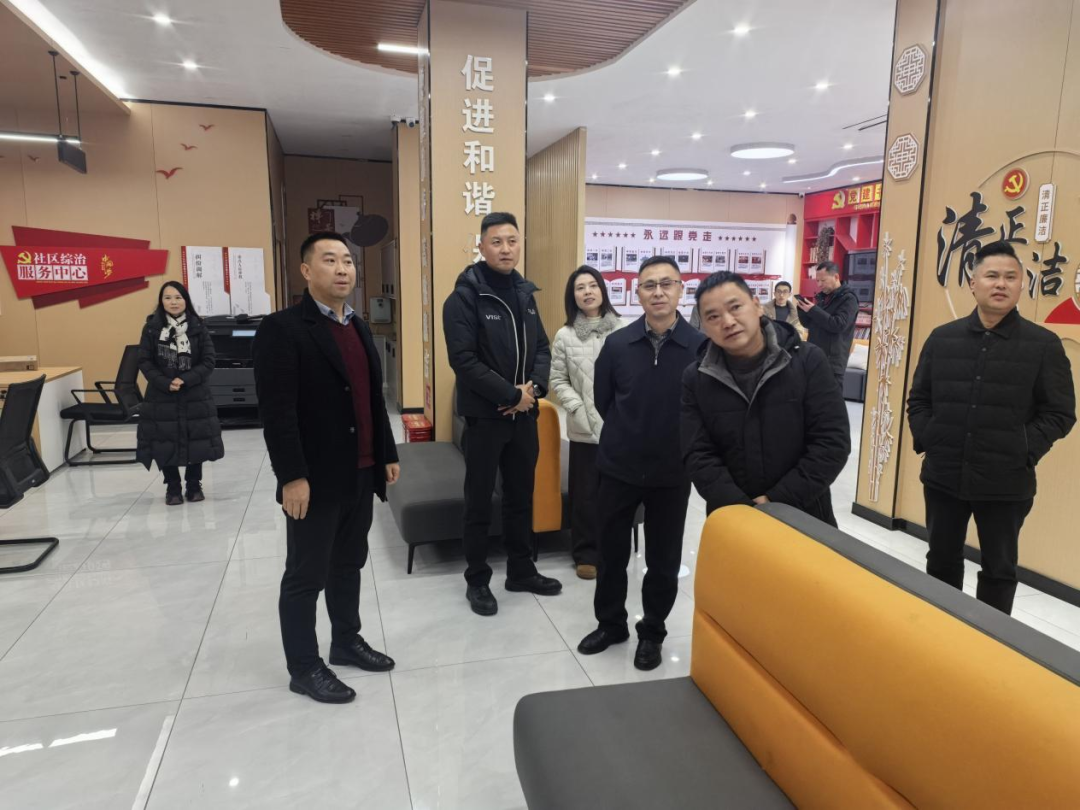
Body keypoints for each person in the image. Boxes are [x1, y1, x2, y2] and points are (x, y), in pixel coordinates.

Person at [253, 231, 399, 704]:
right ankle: (304, 666)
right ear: (306, 270)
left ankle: (345, 641)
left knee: (349, 563)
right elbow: (277, 413)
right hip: (314, 478)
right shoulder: (283, 329)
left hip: (360, 471)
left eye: (348, 261)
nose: (342, 269)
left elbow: (371, 397)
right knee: (305, 574)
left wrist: (387, 453)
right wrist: (292, 477)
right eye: (330, 260)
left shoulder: (357, 326)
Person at [907, 240, 1075, 615]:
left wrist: (1023, 448)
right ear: (973, 283)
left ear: (1021, 285)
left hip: (1006, 482)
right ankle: (941, 631)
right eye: (992, 275)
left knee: (999, 569)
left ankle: (991, 639)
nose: (1001, 284)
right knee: (941, 560)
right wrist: (929, 438)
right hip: (944, 475)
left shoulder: (1043, 345)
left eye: (1010, 277)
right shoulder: (942, 338)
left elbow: (1060, 412)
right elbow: (919, 398)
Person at [577, 255, 706, 671]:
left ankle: (652, 632)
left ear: (681, 290)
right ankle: (611, 624)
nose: (658, 292)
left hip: (672, 470)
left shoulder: (700, 347)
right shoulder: (618, 344)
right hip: (619, 466)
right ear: (638, 292)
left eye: (667, 284)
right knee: (611, 553)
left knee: (664, 560)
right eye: (649, 285)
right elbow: (604, 400)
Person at [443, 211, 562, 616]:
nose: (506, 248)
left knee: (520, 497)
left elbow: (542, 348)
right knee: (478, 501)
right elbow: (463, 360)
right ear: (481, 246)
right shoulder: (463, 298)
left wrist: (534, 390)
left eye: (512, 241)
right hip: (484, 418)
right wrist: (511, 394)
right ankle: (477, 580)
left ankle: (521, 570)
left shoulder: (525, 294)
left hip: (524, 417)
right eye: (496, 241)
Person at [681, 272, 850, 525]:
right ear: (703, 325)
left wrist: (776, 501)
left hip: (804, 514)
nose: (727, 322)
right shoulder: (696, 377)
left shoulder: (807, 361)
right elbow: (697, 452)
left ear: (757, 305)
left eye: (735, 307)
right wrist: (739, 507)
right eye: (713, 316)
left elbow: (832, 442)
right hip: (732, 518)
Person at [549, 265, 623, 580]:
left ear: (602, 290)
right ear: (573, 296)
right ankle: (586, 553)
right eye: (580, 288)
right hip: (583, 429)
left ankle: (613, 550)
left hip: (619, 429)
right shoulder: (564, 335)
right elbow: (558, 380)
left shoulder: (623, 329)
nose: (588, 292)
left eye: (593, 285)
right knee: (585, 496)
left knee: (617, 495)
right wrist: (578, 409)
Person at [136, 281, 224, 505]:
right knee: (164, 440)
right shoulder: (151, 328)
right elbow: (144, 361)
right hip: (161, 395)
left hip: (195, 393)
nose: (173, 302)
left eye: (178, 297)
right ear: (161, 301)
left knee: (197, 439)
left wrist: (185, 379)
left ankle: (194, 485)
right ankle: (173, 486)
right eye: (168, 298)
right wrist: (165, 382)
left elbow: (209, 361)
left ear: (186, 300)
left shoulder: (198, 326)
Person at [796, 261, 859, 389]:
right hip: (815, 356)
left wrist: (814, 310)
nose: (819, 285)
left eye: (823, 280)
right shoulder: (823, 298)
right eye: (817, 281)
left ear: (836, 277)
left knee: (831, 399)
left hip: (832, 361)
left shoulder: (849, 298)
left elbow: (838, 325)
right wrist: (803, 310)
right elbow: (809, 324)